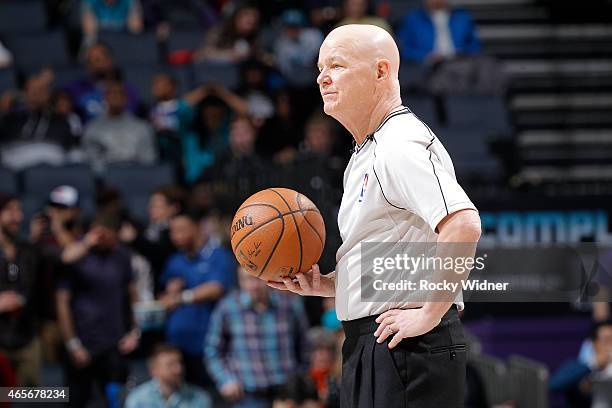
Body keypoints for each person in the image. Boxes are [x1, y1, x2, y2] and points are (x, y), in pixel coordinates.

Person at [269, 24, 481, 408]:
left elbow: (463, 223)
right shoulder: (367, 149)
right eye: (320, 68)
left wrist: (431, 313)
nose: (322, 77)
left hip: (407, 347)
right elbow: (401, 252)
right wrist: (332, 285)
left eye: (337, 65)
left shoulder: (400, 144)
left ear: (381, 72)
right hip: (376, 343)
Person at [56, 212, 140, 408]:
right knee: (75, 400)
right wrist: (72, 343)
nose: (104, 239)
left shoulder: (122, 256)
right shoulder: (77, 257)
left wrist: (134, 331)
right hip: (83, 344)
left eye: (109, 235)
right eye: (99, 234)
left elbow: (132, 294)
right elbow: (62, 302)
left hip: (115, 344)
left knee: (117, 401)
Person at [205, 267, 310, 407]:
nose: (253, 285)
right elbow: (212, 350)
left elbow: (304, 344)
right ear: (240, 281)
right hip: (248, 394)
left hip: (287, 392)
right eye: (246, 279)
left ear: (268, 278)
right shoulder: (227, 308)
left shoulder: (289, 305)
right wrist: (225, 380)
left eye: (257, 279)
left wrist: (301, 375)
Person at [158, 209, 236, 387]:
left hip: (209, 345)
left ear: (197, 228)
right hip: (178, 346)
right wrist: (168, 294)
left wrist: (181, 297)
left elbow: (217, 288)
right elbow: (165, 297)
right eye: (172, 231)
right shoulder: (175, 260)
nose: (175, 236)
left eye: (181, 230)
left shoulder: (218, 255)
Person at [0, 194, 43, 386]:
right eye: (11, 211)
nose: (18, 217)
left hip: (26, 340)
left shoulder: (27, 250)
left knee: (33, 398)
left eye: (19, 211)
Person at [0, 75, 74, 171]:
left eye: (40, 90)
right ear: (24, 94)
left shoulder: (61, 122)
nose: (35, 94)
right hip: (16, 172)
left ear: (48, 95)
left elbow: (70, 154)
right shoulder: (10, 121)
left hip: (51, 174)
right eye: (31, 90)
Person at [83, 81, 157, 173]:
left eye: (119, 95)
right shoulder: (92, 128)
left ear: (125, 99)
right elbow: (91, 160)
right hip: (106, 178)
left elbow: (148, 159)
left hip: (137, 175)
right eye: (112, 95)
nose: (115, 98)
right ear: (105, 98)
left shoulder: (142, 127)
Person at [64, 43, 141, 122]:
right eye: (89, 62)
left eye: (98, 60)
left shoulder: (127, 91)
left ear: (110, 60)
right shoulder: (76, 89)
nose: (93, 65)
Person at [125, 343, 212, 408]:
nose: (178, 369)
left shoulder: (199, 398)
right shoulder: (138, 400)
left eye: (180, 363)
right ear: (154, 370)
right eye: (170, 365)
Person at [397, 0, 481, 64]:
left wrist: (462, 54)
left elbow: (474, 46)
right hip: (426, 69)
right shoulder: (413, 19)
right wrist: (425, 56)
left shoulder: (462, 17)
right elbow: (404, 50)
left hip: (459, 66)